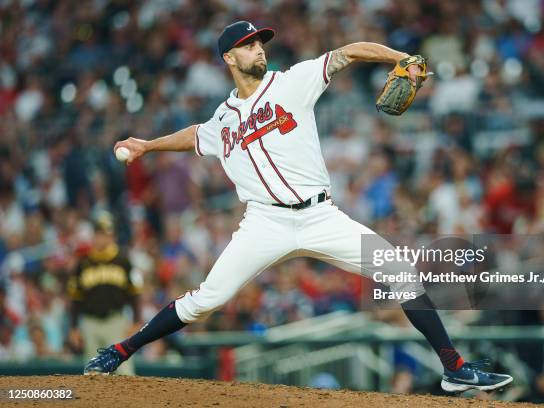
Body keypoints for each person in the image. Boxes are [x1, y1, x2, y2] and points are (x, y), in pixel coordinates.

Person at [84, 21, 512, 392]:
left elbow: (347, 52)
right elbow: (197, 135)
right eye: (250, 44)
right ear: (229, 58)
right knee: (205, 300)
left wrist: (401, 57)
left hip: (320, 216)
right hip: (263, 224)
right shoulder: (225, 117)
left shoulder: (292, 80)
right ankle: (121, 350)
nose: (259, 48)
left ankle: (454, 369)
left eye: (260, 42)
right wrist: (148, 145)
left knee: (396, 268)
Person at [68, 211, 142, 375]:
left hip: (116, 322)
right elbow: (75, 298)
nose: (104, 238)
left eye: (108, 234)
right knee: (93, 373)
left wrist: (136, 320)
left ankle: (128, 402)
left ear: (113, 235)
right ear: (94, 235)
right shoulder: (84, 263)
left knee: (124, 371)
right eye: (100, 233)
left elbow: (135, 293)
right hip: (90, 323)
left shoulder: (124, 260)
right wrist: (73, 327)